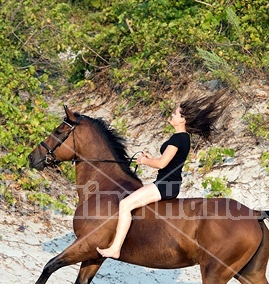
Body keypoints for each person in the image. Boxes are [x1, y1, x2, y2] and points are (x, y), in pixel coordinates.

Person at [96, 90, 230, 259]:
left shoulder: (178, 138)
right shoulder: (184, 138)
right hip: (170, 184)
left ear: (183, 119)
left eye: (175, 113)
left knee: (125, 205)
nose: (172, 115)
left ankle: (115, 248)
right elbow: (168, 162)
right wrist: (152, 158)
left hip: (164, 186)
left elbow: (162, 164)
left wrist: (144, 162)